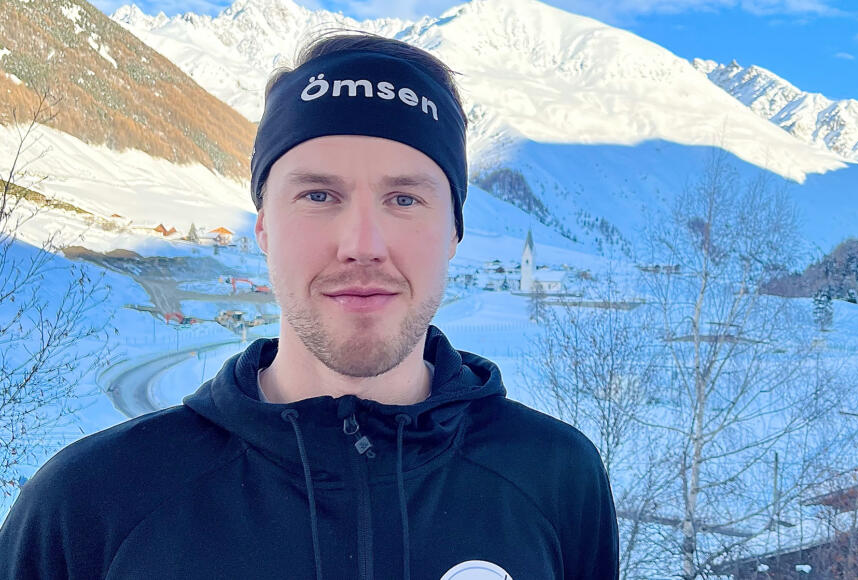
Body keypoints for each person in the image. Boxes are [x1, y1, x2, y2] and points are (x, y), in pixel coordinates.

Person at [0, 32, 619, 579]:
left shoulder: (556, 479)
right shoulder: (90, 505)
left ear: (454, 232)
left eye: (405, 199)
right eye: (319, 195)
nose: (362, 244)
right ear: (263, 228)